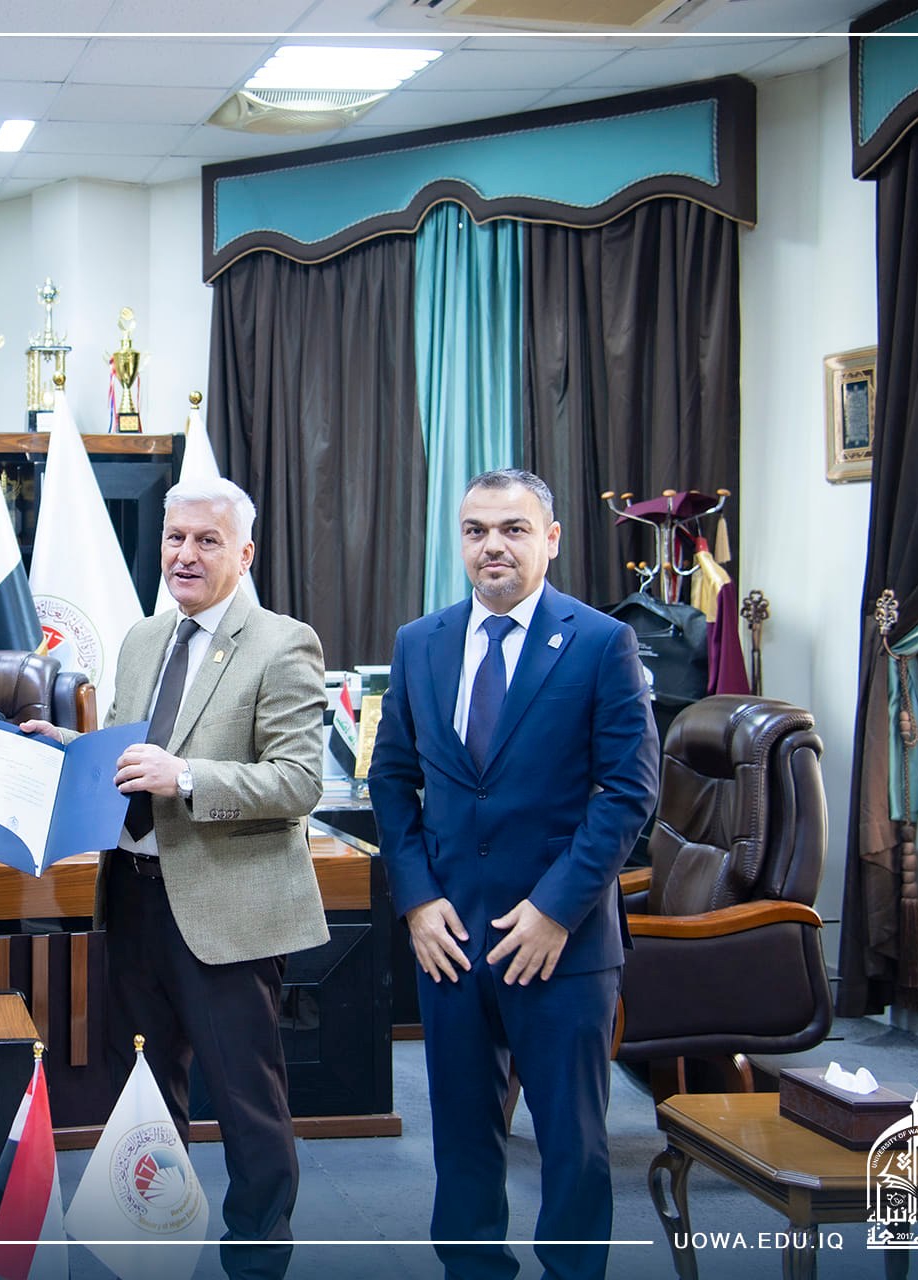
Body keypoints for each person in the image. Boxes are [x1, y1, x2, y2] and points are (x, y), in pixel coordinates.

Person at [22, 477, 328, 1280]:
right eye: (175, 538)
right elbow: (129, 754)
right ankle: (153, 1247)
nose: (185, 555)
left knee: (245, 1102)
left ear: (244, 554)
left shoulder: (284, 643)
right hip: (131, 897)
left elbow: (299, 781)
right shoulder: (142, 637)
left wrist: (186, 775)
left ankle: (256, 1258)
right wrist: (66, 746)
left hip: (226, 907)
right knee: (144, 1093)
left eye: (206, 541)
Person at [366, 468, 659, 1280]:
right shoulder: (419, 642)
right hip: (449, 938)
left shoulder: (600, 643)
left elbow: (629, 792)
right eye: (476, 530)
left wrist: (556, 909)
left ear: (551, 539)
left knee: (573, 1146)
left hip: (561, 941)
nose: (492, 545)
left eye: (513, 528)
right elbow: (390, 779)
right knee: (462, 1140)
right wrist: (417, 900)